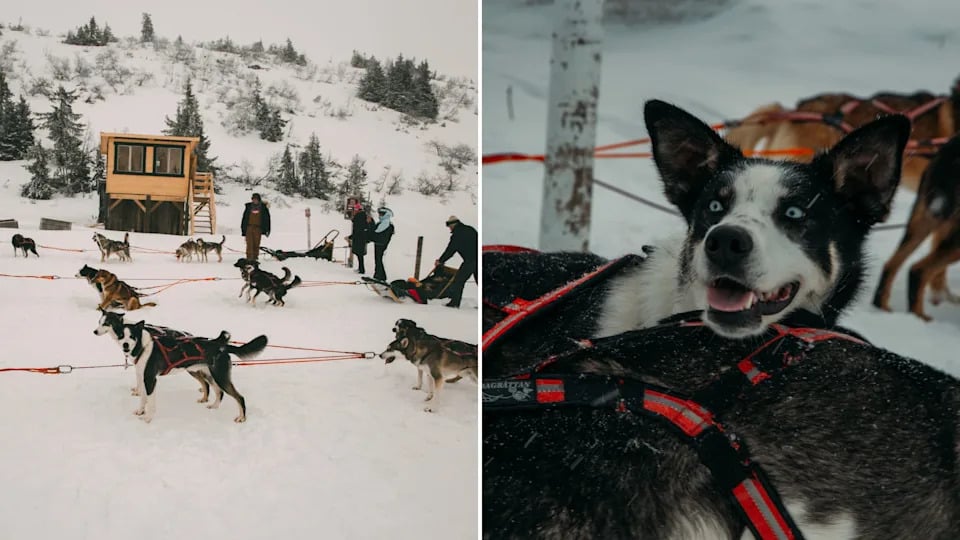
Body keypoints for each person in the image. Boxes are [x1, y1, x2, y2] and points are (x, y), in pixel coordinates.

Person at [435, 215, 478, 308]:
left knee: (458, 281)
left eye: (449, 226)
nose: (449, 229)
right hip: (479, 258)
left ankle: (454, 303)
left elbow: (450, 250)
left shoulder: (457, 234)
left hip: (470, 261)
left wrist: (441, 260)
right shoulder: (470, 229)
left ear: (453, 224)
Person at [240, 193, 271, 260]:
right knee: (249, 244)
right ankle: (249, 258)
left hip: (258, 228)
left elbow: (267, 219)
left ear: (259, 200)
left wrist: (267, 229)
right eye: (253, 199)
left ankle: (255, 257)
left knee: (256, 244)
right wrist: (243, 229)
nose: (254, 200)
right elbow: (244, 218)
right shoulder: (248, 207)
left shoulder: (263, 207)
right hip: (249, 228)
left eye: (256, 199)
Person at [371, 207, 395, 281]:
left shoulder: (385, 222)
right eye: (379, 213)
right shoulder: (383, 222)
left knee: (378, 259)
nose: (380, 215)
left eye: (382, 214)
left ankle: (380, 275)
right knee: (378, 259)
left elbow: (377, 231)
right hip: (379, 243)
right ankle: (379, 274)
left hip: (381, 243)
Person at [348, 203, 371, 274]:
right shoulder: (362, 216)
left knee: (359, 254)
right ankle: (361, 268)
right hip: (361, 238)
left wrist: (352, 236)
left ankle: (361, 269)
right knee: (359, 254)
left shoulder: (359, 217)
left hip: (359, 238)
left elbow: (358, 229)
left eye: (355, 209)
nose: (354, 211)